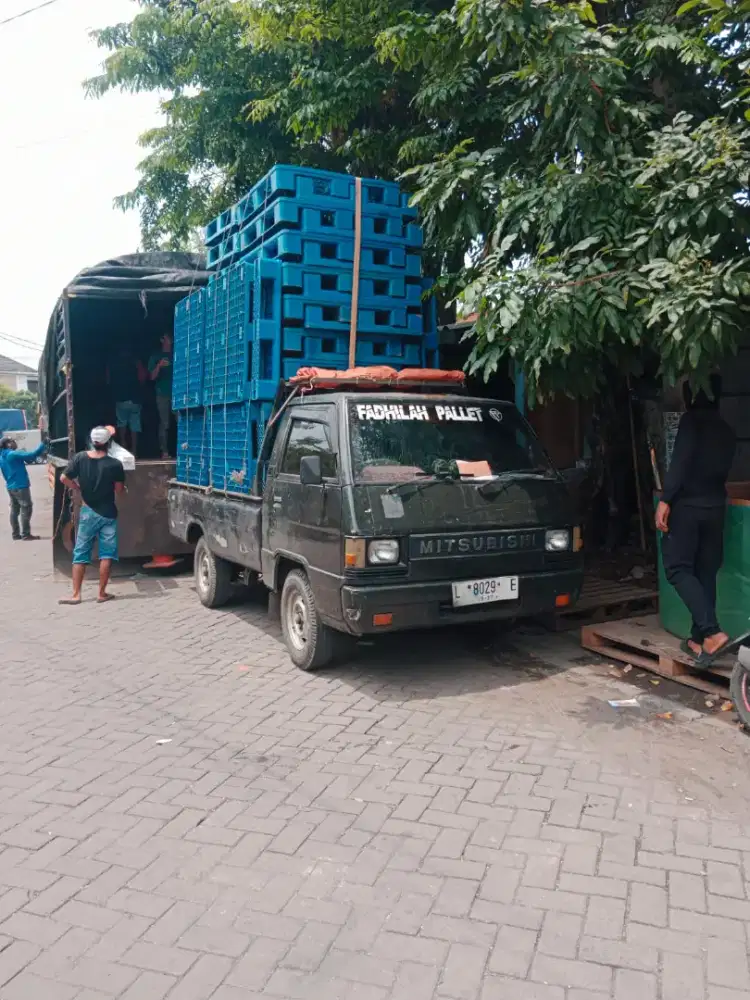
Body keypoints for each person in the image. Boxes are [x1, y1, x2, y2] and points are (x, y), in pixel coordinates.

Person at [656, 375, 736, 661]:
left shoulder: (692, 423)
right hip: (716, 508)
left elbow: (680, 463)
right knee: (705, 573)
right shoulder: (726, 430)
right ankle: (698, 639)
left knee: (677, 568)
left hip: (688, 508)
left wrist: (665, 500)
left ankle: (712, 632)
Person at [59, 426, 126, 605]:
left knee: (80, 553)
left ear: (92, 441)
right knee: (106, 555)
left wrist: (78, 488)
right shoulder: (115, 464)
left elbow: (64, 478)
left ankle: (76, 595)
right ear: (108, 443)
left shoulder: (80, 458)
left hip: (88, 512)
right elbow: (119, 490)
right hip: (108, 514)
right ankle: (102, 593)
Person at [0, 436, 46, 541]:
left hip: (10, 487)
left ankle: (15, 535)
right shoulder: (13, 454)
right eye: (12, 441)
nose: (14, 443)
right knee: (26, 508)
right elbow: (32, 455)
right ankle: (26, 534)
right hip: (20, 486)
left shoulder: (1, 457)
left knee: (14, 510)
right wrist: (43, 444)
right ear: (8, 444)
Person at [107, 348, 146, 458]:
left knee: (122, 424)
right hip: (135, 399)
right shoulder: (136, 362)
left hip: (120, 399)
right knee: (135, 426)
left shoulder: (114, 364)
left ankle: (123, 448)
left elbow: (108, 380)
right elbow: (143, 378)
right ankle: (134, 451)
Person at [149, 333, 173, 459]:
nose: (170, 340)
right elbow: (152, 377)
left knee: (182, 422)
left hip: (178, 394)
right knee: (165, 423)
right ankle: (164, 451)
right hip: (162, 394)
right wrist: (159, 365)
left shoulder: (178, 354)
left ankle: (184, 450)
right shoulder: (156, 356)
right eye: (167, 338)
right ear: (162, 339)